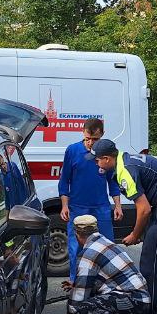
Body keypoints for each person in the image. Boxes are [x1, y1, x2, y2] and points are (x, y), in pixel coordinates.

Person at [91, 138, 157, 314]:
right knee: (148, 261)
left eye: (97, 160)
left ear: (107, 159)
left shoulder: (125, 172)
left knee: (150, 263)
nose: (96, 164)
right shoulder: (124, 159)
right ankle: (145, 310)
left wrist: (134, 234)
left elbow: (144, 209)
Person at [58, 214, 150, 314]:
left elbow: (80, 294)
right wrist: (77, 283)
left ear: (77, 234)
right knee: (91, 298)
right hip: (139, 298)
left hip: (134, 301)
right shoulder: (104, 242)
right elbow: (98, 279)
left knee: (86, 307)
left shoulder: (88, 254)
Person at [57, 118, 122, 281]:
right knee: (76, 249)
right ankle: (75, 283)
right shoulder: (72, 150)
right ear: (82, 133)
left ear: (103, 135)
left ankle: (106, 283)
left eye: (95, 139)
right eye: (87, 139)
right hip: (77, 208)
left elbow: (112, 181)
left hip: (101, 208)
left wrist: (118, 205)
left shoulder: (106, 154)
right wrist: (65, 205)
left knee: (107, 248)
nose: (90, 143)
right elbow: (64, 180)